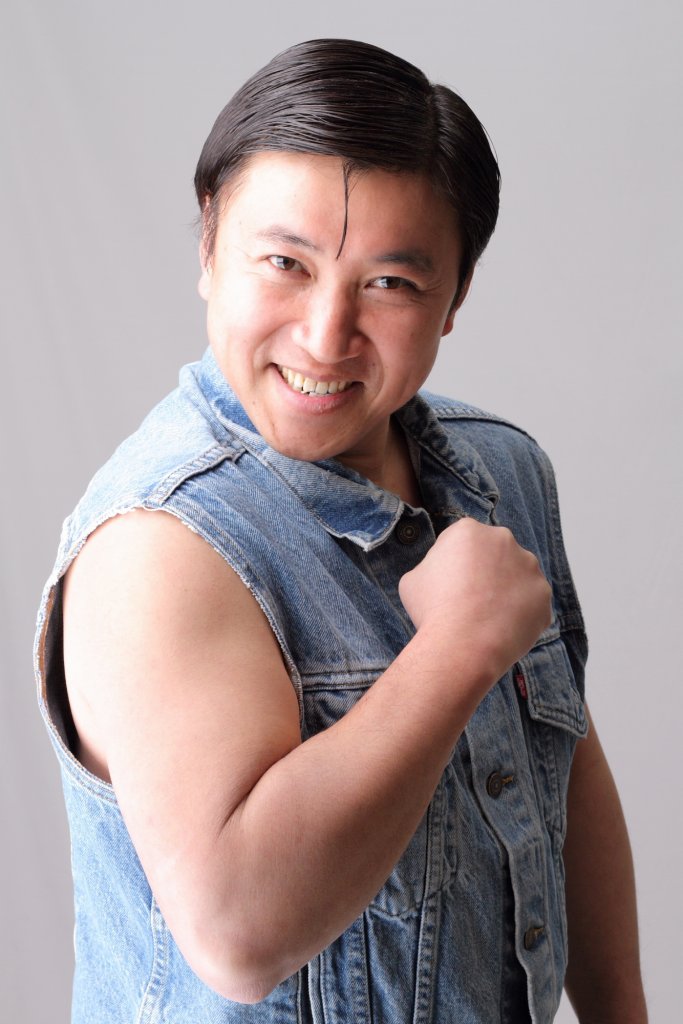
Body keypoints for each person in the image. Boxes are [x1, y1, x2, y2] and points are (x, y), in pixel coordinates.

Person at [34, 38, 647, 1023]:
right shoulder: (161, 544)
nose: (324, 335)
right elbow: (237, 937)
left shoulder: (501, 472)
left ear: (455, 296)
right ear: (208, 244)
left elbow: (562, 770)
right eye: (285, 263)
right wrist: (456, 649)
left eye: (389, 283)